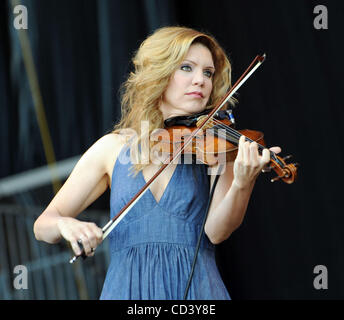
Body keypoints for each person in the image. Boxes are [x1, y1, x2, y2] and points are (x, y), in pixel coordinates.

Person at [33, 26, 280, 300]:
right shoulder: (112, 148)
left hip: (197, 291)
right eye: (187, 67)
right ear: (159, 72)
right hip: (127, 291)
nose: (201, 80)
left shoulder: (218, 146)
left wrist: (243, 184)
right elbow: (43, 225)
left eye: (208, 73)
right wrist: (65, 225)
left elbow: (217, 231)